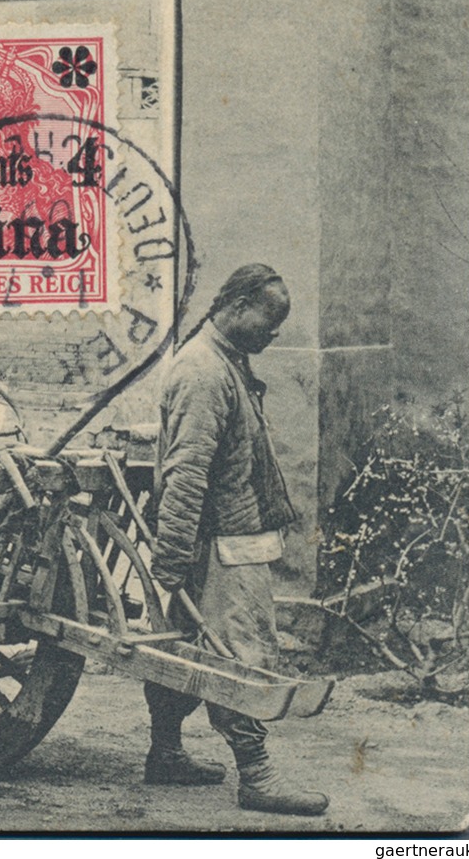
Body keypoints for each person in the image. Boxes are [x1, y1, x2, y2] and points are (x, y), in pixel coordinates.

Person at [144, 263, 329, 816]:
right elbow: (186, 473)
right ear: (238, 305)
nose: (274, 333)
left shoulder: (226, 361)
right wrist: (171, 563)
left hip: (220, 537)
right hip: (219, 544)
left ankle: (166, 754)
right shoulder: (204, 371)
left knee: (178, 648)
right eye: (270, 319)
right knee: (240, 655)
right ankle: (258, 777)